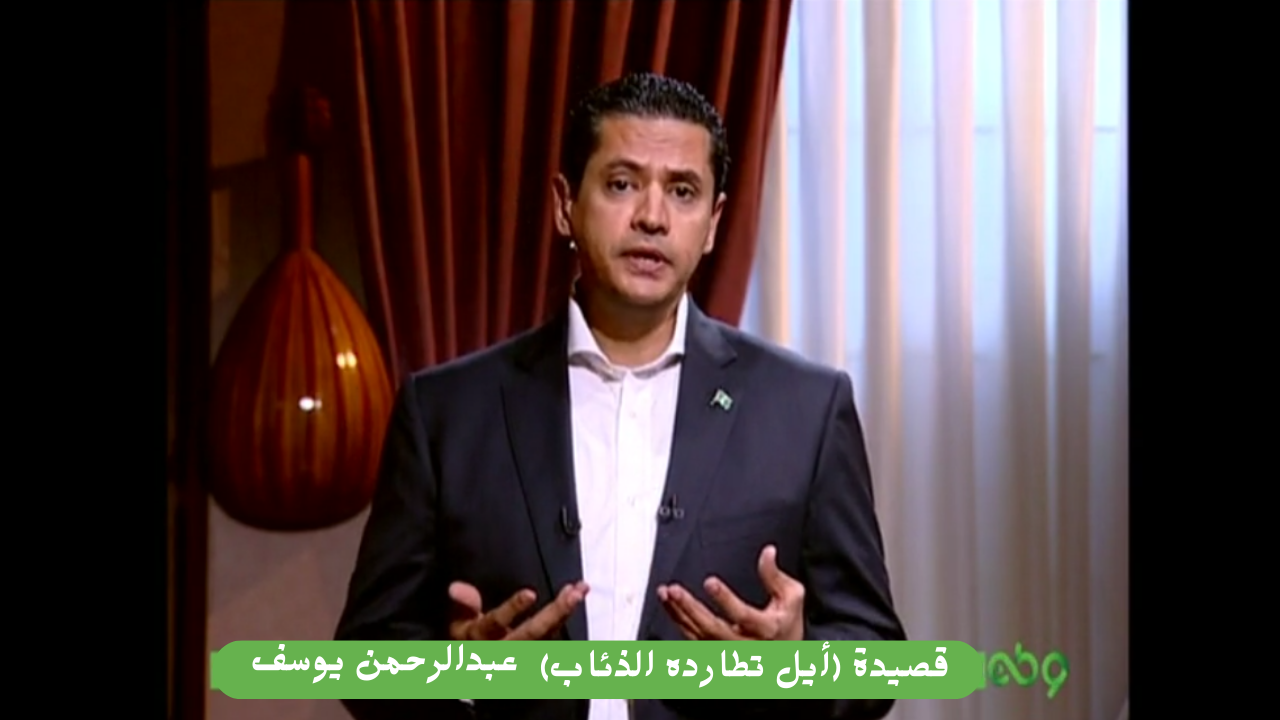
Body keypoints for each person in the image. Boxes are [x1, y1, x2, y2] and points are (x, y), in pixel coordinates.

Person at [335, 72, 905, 720]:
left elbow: (877, 659)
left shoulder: (806, 409)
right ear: (565, 205)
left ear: (713, 223)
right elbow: (365, 655)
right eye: (622, 184)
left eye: (683, 192)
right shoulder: (445, 413)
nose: (652, 217)